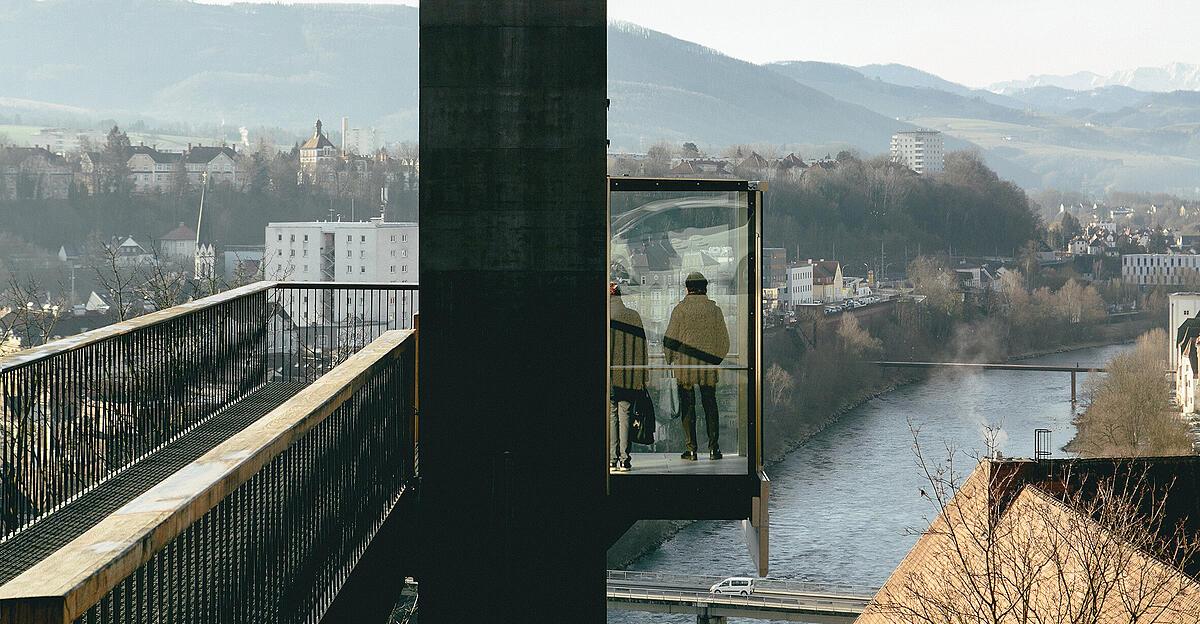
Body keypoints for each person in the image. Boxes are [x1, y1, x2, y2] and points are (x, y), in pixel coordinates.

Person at [664, 272, 729, 461]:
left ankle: (691, 449)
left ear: (687, 288)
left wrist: (671, 360)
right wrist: (714, 360)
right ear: (705, 288)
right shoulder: (714, 310)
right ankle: (714, 449)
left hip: (685, 367)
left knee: (688, 406)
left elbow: (669, 340)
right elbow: (724, 342)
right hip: (708, 368)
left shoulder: (680, 310)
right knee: (710, 405)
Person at [609, 282, 647, 472]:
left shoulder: (605, 315)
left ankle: (611, 459)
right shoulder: (634, 315)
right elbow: (642, 348)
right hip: (629, 376)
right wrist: (642, 375)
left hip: (609, 376)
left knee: (611, 415)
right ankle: (625, 459)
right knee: (625, 415)